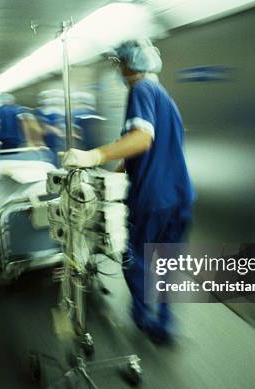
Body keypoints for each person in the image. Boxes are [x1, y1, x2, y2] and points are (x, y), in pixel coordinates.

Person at [61, 39, 196, 344]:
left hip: (153, 198)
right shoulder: (165, 97)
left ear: (129, 64)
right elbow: (148, 148)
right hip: (181, 194)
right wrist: (116, 173)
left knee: (135, 257)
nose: (120, 70)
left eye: (120, 64)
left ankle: (141, 315)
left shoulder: (141, 90)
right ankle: (165, 323)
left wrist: (93, 155)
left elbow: (141, 139)